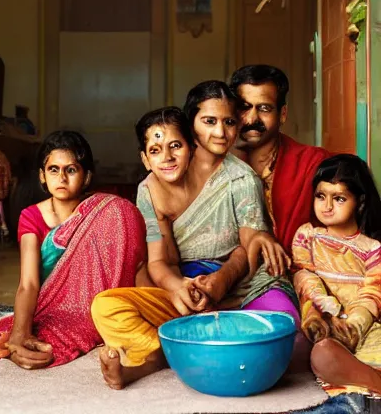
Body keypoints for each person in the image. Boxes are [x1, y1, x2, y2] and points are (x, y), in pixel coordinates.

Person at [92, 90, 297, 389]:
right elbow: (158, 261)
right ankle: (172, 350)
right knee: (105, 307)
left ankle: (171, 350)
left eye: (228, 122)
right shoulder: (149, 190)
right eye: (209, 121)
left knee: (284, 332)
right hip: (190, 292)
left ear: (186, 143)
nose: (219, 131)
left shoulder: (241, 179)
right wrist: (179, 289)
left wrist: (221, 281)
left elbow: (249, 243)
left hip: (241, 289)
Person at [0, 131, 146, 369]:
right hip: (53, 309)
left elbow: (131, 266)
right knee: (10, 334)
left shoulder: (103, 213)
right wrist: (21, 332)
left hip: (97, 306)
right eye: (53, 169)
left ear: (86, 176)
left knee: (122, 210)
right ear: (42, 175)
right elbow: (28, 283)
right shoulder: (31, 216)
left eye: (71, 170)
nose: (61, 177)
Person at [292, 154, 381, 394]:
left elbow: (372, 295)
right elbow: (305, 280)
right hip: (319, 325)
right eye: (321, 196)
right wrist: (320, 314)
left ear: (360, 202)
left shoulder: (372, 248)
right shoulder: (307, 237)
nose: (327, 206)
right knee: (306, 350)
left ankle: (369, 380)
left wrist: (351, 328)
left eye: (339, 198)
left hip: (362, 328)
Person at [229, 65, 331, 255]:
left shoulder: (313, 163)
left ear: (282, 114)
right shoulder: (217, 165)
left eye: (264, 108)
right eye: (244, 107)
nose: (252, 118)